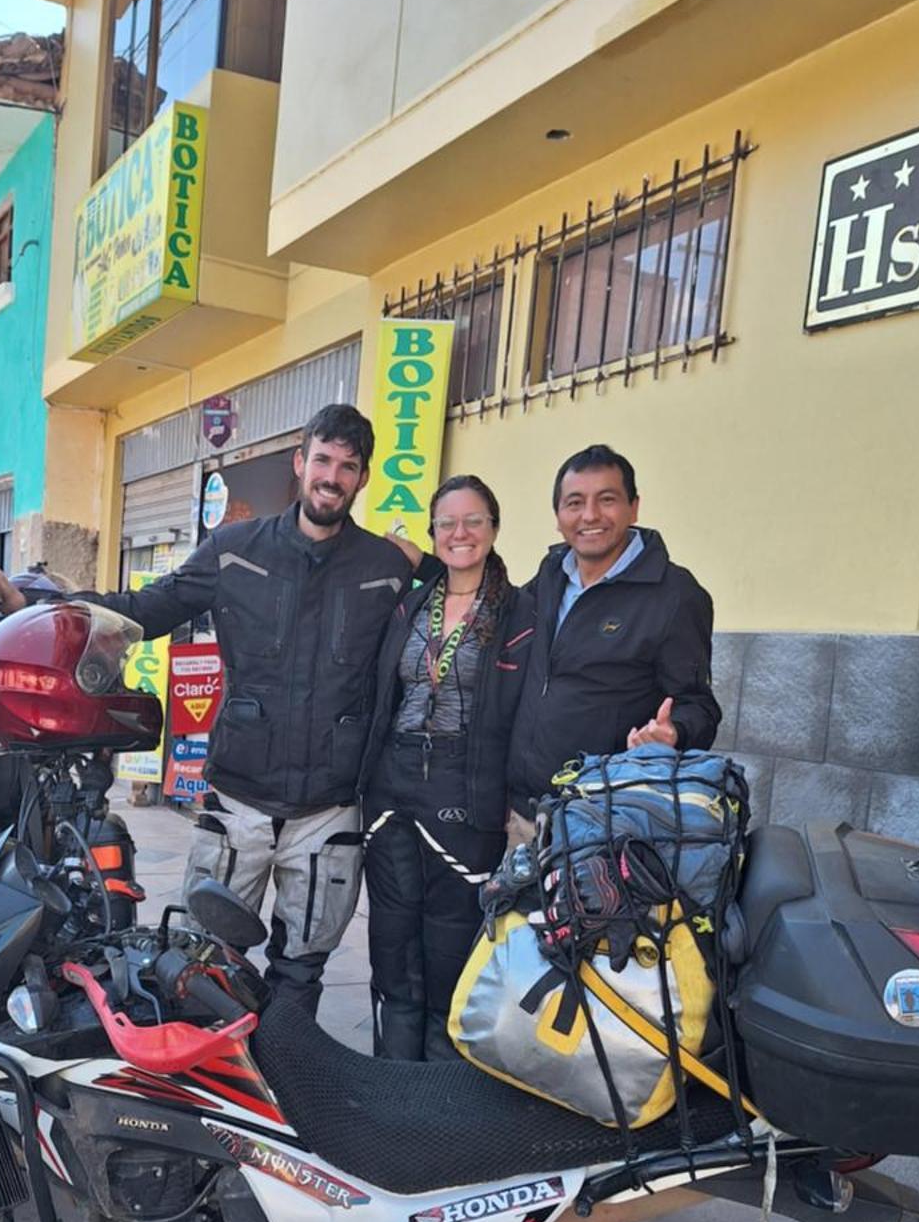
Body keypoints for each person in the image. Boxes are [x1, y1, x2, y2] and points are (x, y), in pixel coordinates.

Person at [71, 404, 420, 1012]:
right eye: (322, 460)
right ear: (299, 462)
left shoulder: (388, 568)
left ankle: (287, 1083)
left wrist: (432, 559)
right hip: (239, 802)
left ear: (363, 478)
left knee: (301, 972)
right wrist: (49, 607)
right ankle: (209, 1089)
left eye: (347, 466)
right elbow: (147, 608)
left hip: (329, 809)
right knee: (202, 961)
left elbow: (458, 605)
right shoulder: (233, 550)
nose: (331, 477)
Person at [359, 476, 534, 1060]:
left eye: (474, 521)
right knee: (391, 935)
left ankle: (440, 1087)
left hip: (466, 787)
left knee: (450, 943)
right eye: (447, 523)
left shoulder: (522, 611)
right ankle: (391, 1078)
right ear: (432, 533)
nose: (460, 533)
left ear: (494, 528)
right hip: (392, 782)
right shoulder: (409, 599)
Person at [507, 444, 721, 823]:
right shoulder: (551, 575)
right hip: (520, 809)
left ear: (633, 507)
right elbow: (496, 605)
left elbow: (699, 706)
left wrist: (676, 733)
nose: (590, 515)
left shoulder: (674, 596)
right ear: (558, 515)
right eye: (574, 503)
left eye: (607, 499)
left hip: (600, 818)